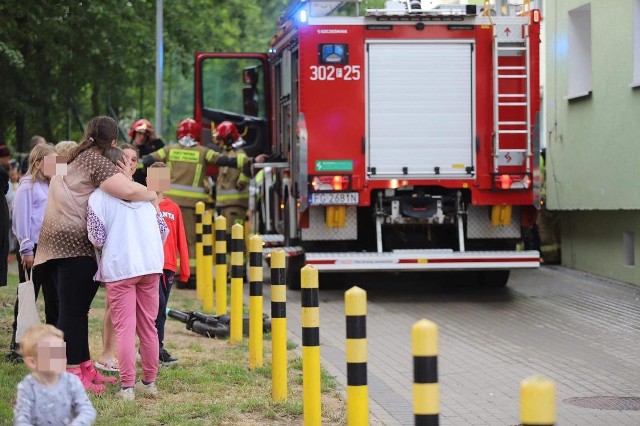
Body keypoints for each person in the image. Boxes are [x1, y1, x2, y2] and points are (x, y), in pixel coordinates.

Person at [34, 116, 157, 394]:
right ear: (113, 142)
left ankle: (84, 367)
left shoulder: (72, 157)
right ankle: (70, 372)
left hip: (54, 244)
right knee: (71, 312)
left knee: (75, 312)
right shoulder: (95, 161)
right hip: (73, 246)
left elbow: (42, 168)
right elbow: (127, 191)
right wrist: (152, 194)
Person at [141, 118, 266, 282]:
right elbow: (226, 160)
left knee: (167, 238)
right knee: (189, 241)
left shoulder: (169, 150)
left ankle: (166, 271)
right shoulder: (203, 151)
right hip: (192, 206)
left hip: (167, 203)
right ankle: (189, 276)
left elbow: (149, 162)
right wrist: (252, 161)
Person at [87, 147, 167, 401]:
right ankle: (150, 382)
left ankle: (128, 387)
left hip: (120, 267)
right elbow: (162, 230)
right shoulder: (148, 195)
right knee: (149, 327)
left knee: (124, 329)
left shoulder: (98, 197)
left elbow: (97, 238)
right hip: (151, 266)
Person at [7, 144, 58, 363]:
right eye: (52, 161)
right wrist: (25, 248)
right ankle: (18, 346)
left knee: (53, 298)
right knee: (28, 296)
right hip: (33, 250)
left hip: (51, 248)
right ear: (38, 163)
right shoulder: (27, 186)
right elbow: (21, 219)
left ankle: (51, 346)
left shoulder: (50, 185)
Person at [148, 162, 189, 366]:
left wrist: (186, 270)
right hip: (149, 265)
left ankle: (155, 347)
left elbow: (181, 237)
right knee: (156, 306)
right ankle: (152, 348)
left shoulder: (173, 208)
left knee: (161, 308)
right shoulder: (142, 204)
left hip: (168, 266)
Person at [13, 324, 96, 425]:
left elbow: (86, 410)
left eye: (62, 352)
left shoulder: (72, 382)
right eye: (53, 354)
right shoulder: (27, 387)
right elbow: (21, 418)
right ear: (32, 362)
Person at [213, 121, 251, 238]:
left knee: (234, 238)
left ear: (228, 139)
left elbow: (247, 167)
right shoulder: (227, 153)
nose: (218, 144)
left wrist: (242, 181)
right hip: (225, 204)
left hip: (235, 204)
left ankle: (242, 257)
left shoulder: (239, 153)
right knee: (225, 237)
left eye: (220, 140)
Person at [128, 119, 164, 185]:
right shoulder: (125, 150)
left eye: (145, 135)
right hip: (128, 189)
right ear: (134, 133)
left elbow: (164, 156)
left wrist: (157, 140)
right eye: (139, 133)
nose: (142, 137)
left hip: (147, 191)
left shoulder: (151, 152)